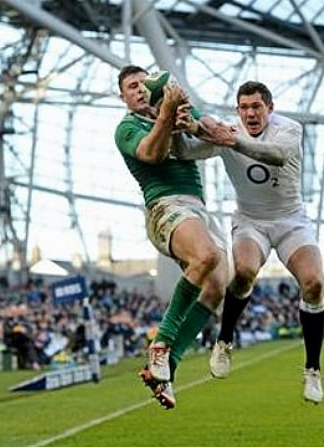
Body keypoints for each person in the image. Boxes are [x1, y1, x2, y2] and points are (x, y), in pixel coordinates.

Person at [171, 81, 324, 403]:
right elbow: (185, 151)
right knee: (242, 271)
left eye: (256, 106)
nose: (250, 113)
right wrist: (178, 125)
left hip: (290, 220)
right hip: (250, 220)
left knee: (313, 283)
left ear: (270, 108)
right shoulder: (227, 132)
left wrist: (231, 140)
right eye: (244, 108)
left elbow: (278, 156)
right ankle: (224, 341)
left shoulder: (288, 129)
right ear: (237, 110)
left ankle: (312, 369)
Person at [114, 65, 234, 409]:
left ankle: (167, 370)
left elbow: (215, 136)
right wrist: (167, 114)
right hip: (165, 206)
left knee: (217, 286)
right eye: (131, 87)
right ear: (122, 96)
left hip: (198, 208)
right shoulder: (127, 127)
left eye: (142, 84)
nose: (138, 90)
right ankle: (161, 344)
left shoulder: (175, 108)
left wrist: (193, 119)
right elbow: (151, 154)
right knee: (206, 257)